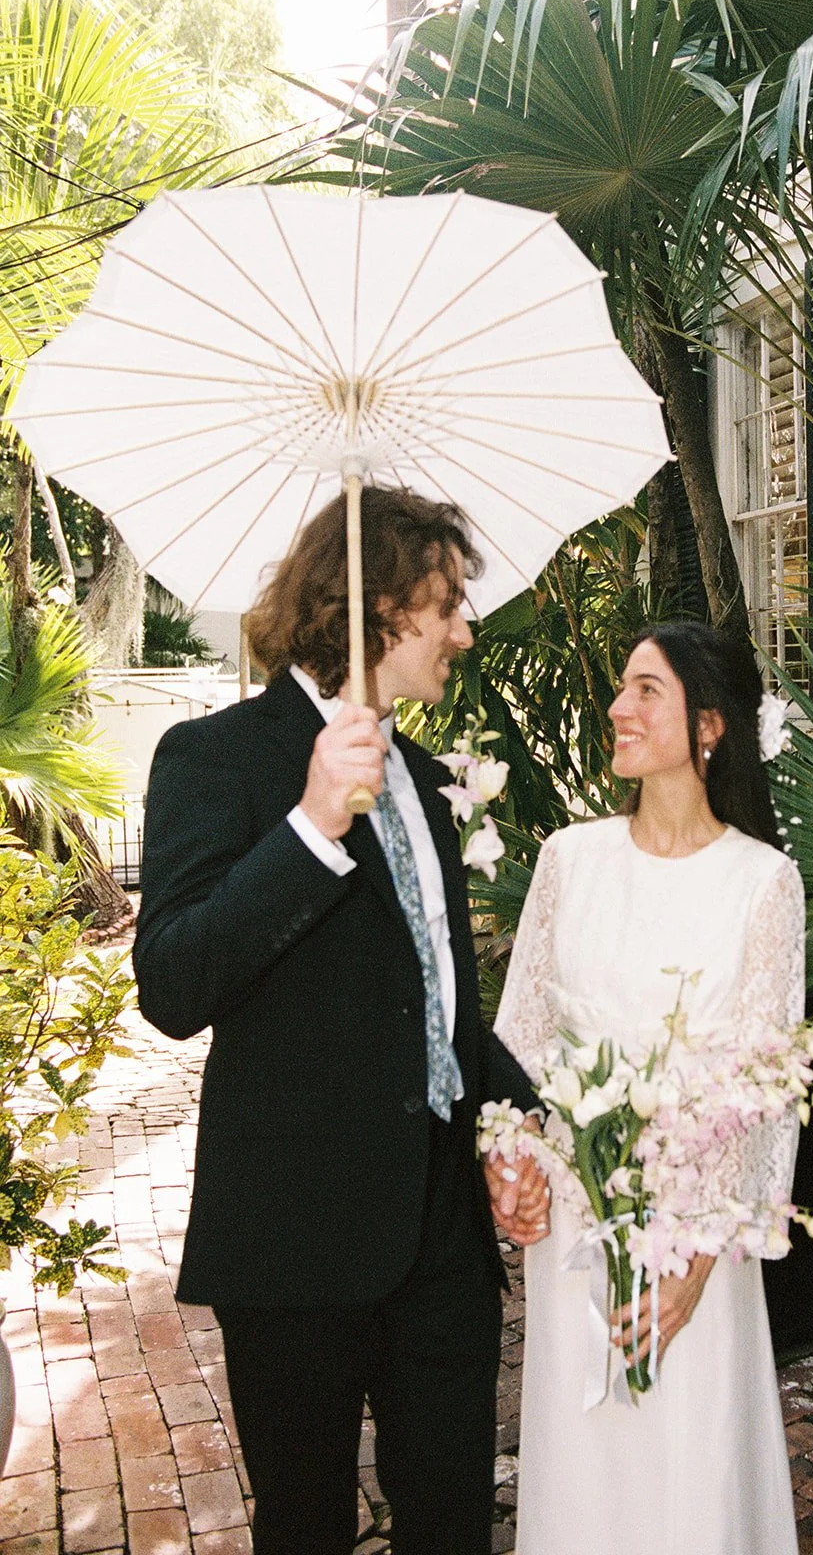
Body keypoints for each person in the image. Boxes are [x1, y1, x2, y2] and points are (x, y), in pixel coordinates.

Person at [133, 485, 549, 1555]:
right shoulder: (213, 758)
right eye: (447, 601)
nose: (465, 627)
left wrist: (517, 1120)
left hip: (443, 1245)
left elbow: (436, 996)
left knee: (454, 1521)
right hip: (295, 1242)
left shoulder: (419, 774)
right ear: (376, 605)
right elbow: (174, 985)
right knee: (307, 1528)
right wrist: (313, 825)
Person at [495, 621, 803, 1555]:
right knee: (587, 1475)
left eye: (644, 690)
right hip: (576, 1236)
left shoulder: (762, 882)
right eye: (620, 687)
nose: (617, 707)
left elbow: (764, 1086)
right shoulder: (567, 861)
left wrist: (698, 1257)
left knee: (687, 1476)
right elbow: (520, 1045)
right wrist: (509, 1162)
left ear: (707, 725)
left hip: (692, 1246)